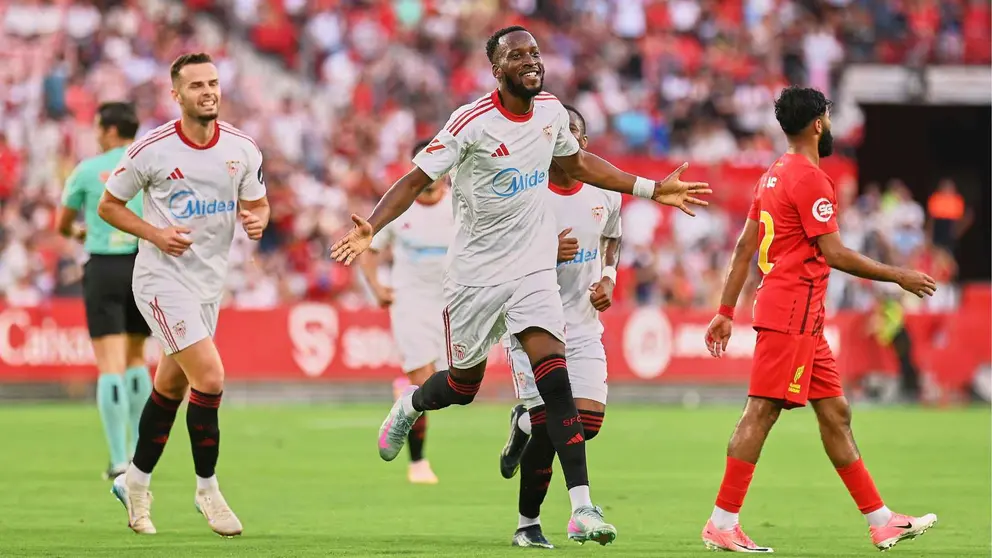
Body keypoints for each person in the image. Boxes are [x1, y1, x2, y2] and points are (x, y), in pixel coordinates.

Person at [332, 25, 710, 546]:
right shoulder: (471, 124)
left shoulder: (553, 112)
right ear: (497, 69)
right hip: (474, 278)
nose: (532, 61)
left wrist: (650, 187)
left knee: (555, 381)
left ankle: (581, 508)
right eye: (518, 55)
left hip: (532, 272)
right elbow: (417, 179)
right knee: (462, 387)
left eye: (535, 53)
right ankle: (411, 405)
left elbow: (576, 162)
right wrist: (373, 226)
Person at [701, 86, 938, 553]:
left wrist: (726, 311)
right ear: (817, 124)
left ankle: (882, 520)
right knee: (762, 411)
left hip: (803, 317)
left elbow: (745, 247)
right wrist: (899, 276)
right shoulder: (809, 178)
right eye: (828, 118)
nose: (830, 125)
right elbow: (833, 253)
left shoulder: (771, 176)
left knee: (836, 412)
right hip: (791, 310)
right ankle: (722, 523)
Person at [98, 52, 269, 537]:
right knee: (210, 377)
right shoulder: (152, 149)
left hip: (208, 285)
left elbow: (258, 203)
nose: (208, 91)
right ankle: (207, 490)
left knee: (171, 388)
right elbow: (111, 206)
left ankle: (134, 482)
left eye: (213, 82)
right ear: (176, 95)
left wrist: (258, 220)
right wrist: (154, 234)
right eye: (196, 85)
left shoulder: (242, 148)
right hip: (160, 281)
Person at [496, 105, 621, 548]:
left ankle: (525, 426)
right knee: (556, 417)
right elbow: (498, 257)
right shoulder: (524, 195)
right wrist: (546, 254)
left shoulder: (606, 192)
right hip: (532, 322)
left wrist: (609, 277)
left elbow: (612, 238)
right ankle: (528, 524)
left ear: (582, 144)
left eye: (575, 134)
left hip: (584, 324)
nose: (566, 140)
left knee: (583, 422)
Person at [56, 102, 153, 480]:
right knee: (136, 358)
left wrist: (80, 232)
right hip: (141, 263)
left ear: (111, 129)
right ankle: (144, 457)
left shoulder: (87, 169)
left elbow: (62, 223)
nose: (95, 133)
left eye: (98, 127)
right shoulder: (148, 164)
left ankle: (118, 458)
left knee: (109, 365)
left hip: (103, 265)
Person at [357, 139, 454, 485]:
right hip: (410, 302)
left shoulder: (460, 205)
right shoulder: (401, 206)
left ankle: (404, 398)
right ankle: (418, 462)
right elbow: (368, 248)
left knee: (453, 388)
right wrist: (376, 287)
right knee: (424, 380)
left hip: (451, 305)